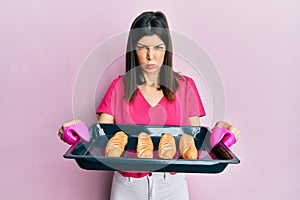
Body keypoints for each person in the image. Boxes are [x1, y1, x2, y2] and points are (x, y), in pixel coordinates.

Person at [95, 11, 240, 200]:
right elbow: (98, 138)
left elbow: (195, 138)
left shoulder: (186, 86)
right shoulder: (118, 87)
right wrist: (76, 133)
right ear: (133, 50)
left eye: (158, 48)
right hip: (127, 186)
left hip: (171, 185)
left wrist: (219, 135)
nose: (150, 56)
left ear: (167, 49)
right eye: (142, 48)